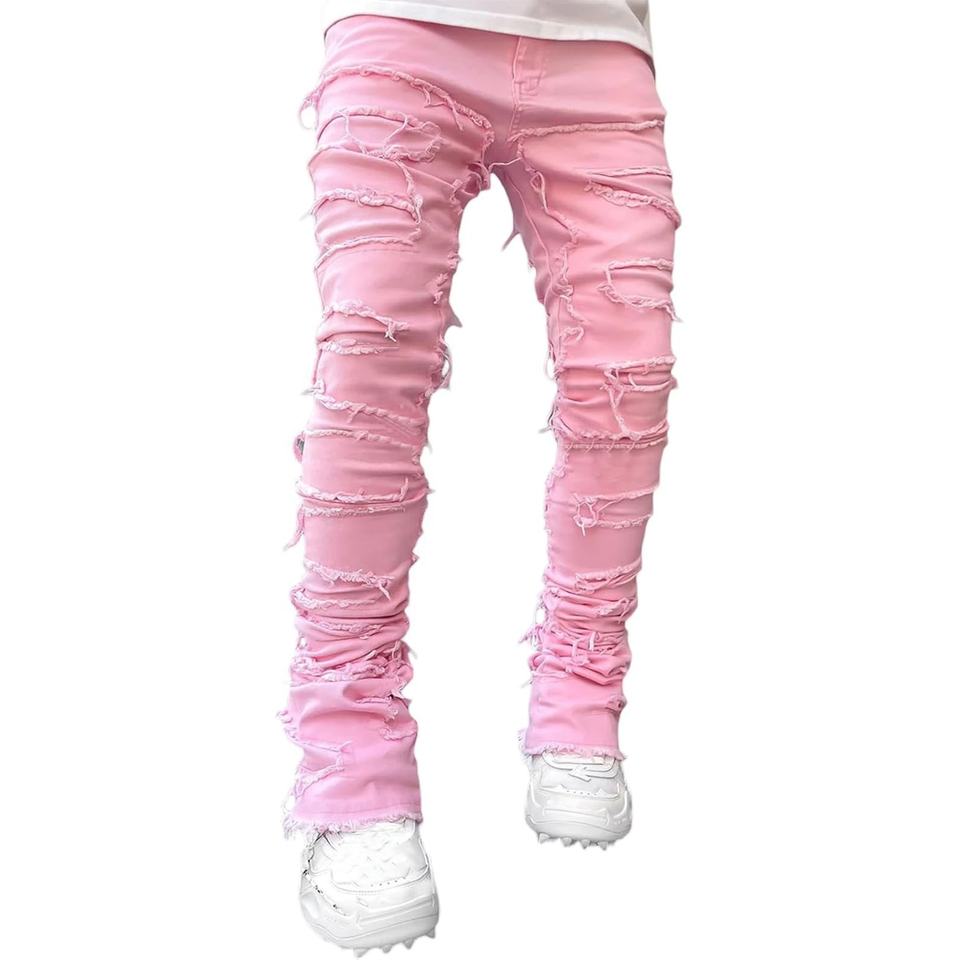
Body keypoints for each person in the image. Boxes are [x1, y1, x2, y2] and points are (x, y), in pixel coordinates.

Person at [281, 1, 679, 951]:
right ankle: (351, 765)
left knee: (628, 373)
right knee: (372, 364)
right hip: (406, 25)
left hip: (598, 43)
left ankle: (580, 699)